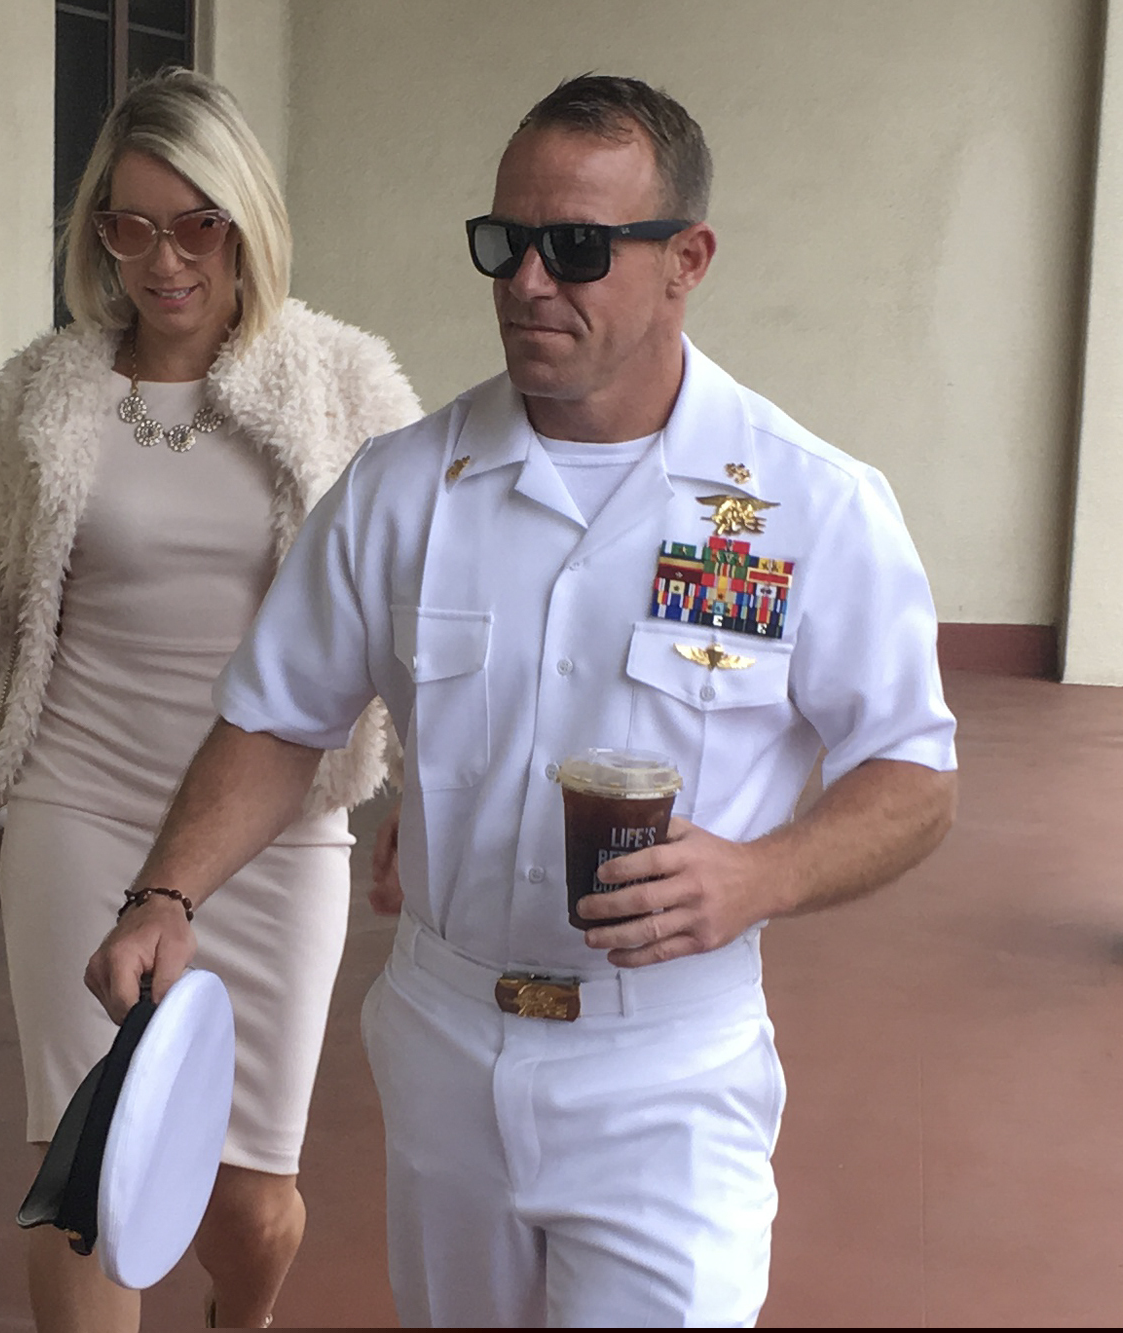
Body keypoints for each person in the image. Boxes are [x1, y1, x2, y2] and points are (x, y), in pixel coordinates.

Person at [85, 74, 959, 1328]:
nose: (528, 281)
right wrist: (166, 892)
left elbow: (911, 775)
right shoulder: (403, 491)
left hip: (665, 1064)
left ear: (685, 261)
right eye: (505, 244)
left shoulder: (800, 504)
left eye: (578, 249)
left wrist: (760, 875)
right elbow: (279, 717)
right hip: (444, 1042)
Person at [0, 70, 420, 1331]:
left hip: (276, 822)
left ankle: (242, 1311)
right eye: (128, 226)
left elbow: (413, 605)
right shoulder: (42, 392)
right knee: (87, 1168)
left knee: (250, 1195)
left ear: (248, 223)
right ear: (94, 234)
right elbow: (17, 592)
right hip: (78, 793)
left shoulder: (342, 384)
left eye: (196, 225)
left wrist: (432, 791)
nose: (162, 260)